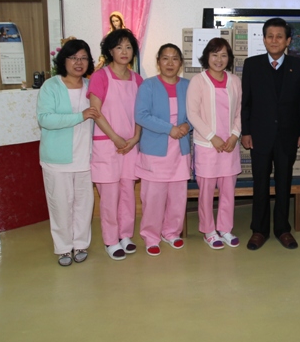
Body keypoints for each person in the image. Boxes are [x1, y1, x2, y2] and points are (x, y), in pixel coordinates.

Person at [241, 18, 300, 251]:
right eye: (270, 36)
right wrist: (246, 131)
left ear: (288, 41)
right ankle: (259, 230)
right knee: (260, 184)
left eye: (279, 36)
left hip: (287, 135)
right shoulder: (252, 65)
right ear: (263, 39)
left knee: (284, 183)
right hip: (259, 136)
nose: (274, 40)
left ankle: (282, 229)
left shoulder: (298, 65)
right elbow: (246, 103)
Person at [36, 39, 99, 266]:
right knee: (60, 206)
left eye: (83, 58)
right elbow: (45, 119)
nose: (78, 62)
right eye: (73, 58)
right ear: (63, 60)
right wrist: (80, 116)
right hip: (57, 159)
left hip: (86, 157)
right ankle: (63, 248)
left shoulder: (91, 86)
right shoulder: (51, 86)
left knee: (84, 205)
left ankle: (80, 244)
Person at [88, 28, 143, 260]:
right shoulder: (100, 76)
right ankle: (110, 240)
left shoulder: (137, 79)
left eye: (128, 47)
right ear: (110, 51)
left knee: (128, 193)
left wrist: (136, 137)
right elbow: (95, 112)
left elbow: (141, 113)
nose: (124, 51)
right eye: (119, 47)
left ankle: (125, 235)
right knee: (109, 197)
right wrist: (115, 138)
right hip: (107, 143)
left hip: (130, 145)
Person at [134, 44, 191, 256]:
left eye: (175, 58)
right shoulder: (148, 86)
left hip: (180, 149)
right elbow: (141, 115)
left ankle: (171, 232)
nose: (170, 63)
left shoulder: (188, 86)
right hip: (155, 150)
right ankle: (151, 236)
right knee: (153, 198)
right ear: (158, 62)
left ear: (180, 63)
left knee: (178, 196)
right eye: (165, 58)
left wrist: (187, 126)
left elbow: (196, 113)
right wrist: (169, 129)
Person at [186, 38, 242, 249]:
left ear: (229, 58)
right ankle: (209, 231)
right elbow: (192, 113)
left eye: (224, 55)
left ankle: (225, 228)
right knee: (206, 192)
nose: (219, 59)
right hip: (207, 146)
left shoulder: (235, 81)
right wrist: (212, 137)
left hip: (229, 146)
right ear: (207, 57)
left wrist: (234, 135)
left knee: (228, 190)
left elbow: (240, 111)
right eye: (215, 55)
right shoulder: (198, 81)